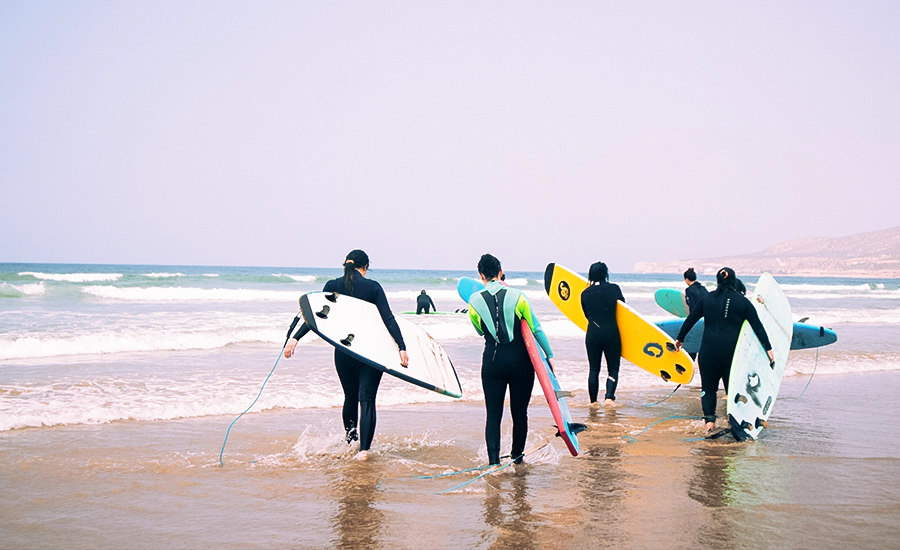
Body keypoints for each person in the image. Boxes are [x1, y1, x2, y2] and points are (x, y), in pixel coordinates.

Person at [283, 250, 408, 461]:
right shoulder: (373, 287)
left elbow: (316, 318)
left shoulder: (332, 286)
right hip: (370, 353)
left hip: (344, 352)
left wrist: (295, 339)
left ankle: (350, 443)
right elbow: (388, 319)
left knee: (350, 398)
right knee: (367, 399)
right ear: (365, 267)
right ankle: (364, 451)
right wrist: (401, 346)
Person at [467, 254, 554, 466]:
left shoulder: (474, 301)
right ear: (500, 272)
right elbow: (536, 328)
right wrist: (548, 355)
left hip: (492, 363)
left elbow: (479, 330)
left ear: (481, 276)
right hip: (521, 363)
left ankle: (494, 463)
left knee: (493, 415)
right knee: (519, 413)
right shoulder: (519, 296)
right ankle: (517, 458)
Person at [674, 267, 774, 432]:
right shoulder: (743, 302)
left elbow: (691, 319)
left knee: (708, 388)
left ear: (718, 281)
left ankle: (709, 423)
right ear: (734, 281)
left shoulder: (707, 299)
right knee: (733, 388)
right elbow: (758, 327)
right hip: (731, 355)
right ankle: (734, 420)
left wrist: (680, 339)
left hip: (708, 353)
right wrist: (768, 349)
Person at [580, 261, 624, 407]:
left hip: (593, 333)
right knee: (613, 367)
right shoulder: (614, 289)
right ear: (606, 274)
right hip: (611, 332)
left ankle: (593, 402)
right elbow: (624, 312)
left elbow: (587, 315)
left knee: (593, 369)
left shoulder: (585, 293)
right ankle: (609, 398)